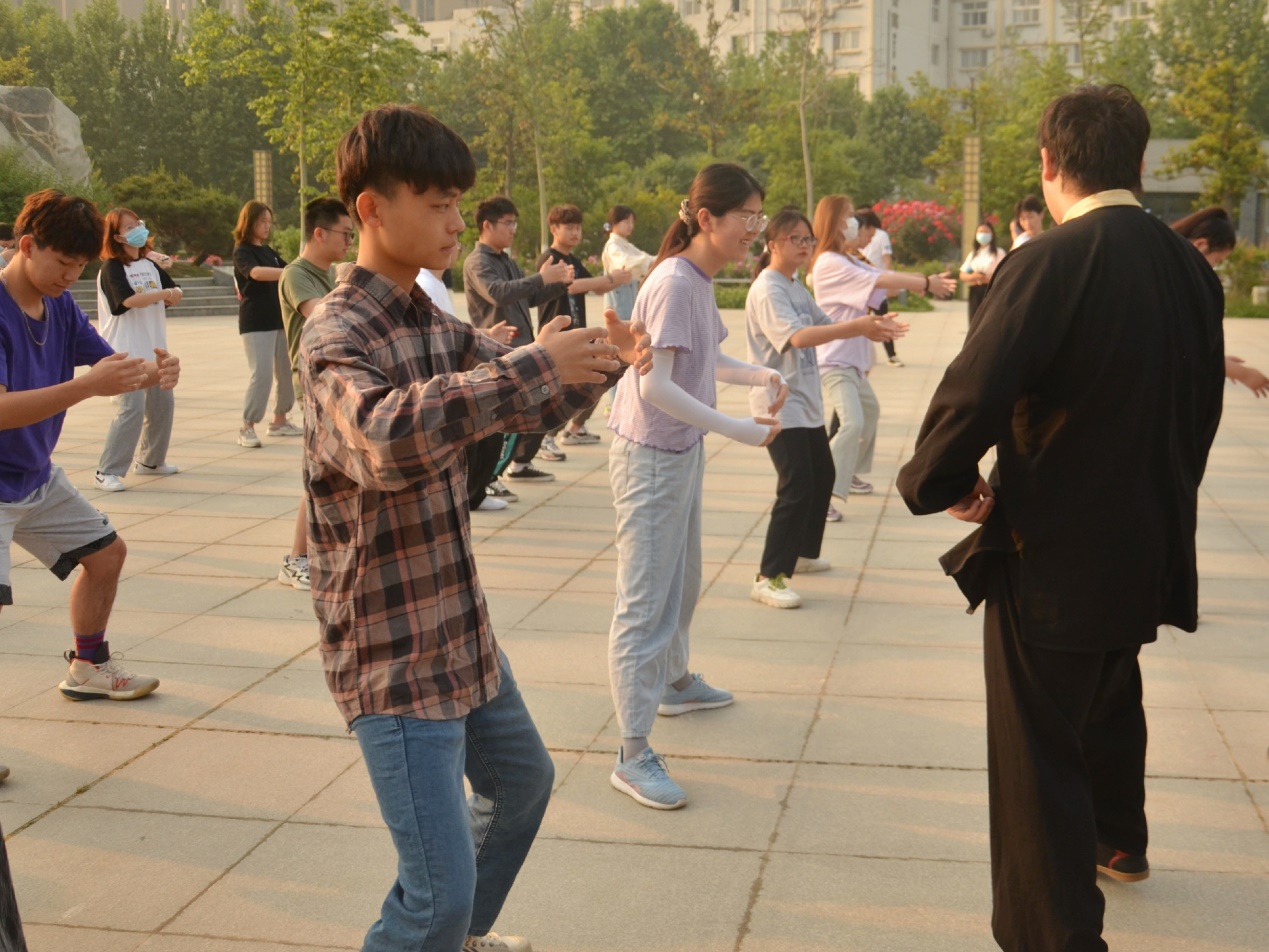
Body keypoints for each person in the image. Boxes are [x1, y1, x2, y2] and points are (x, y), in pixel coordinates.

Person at [300, 104, 650, 952]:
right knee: (434, 897)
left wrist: (600, 364)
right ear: (371, 209)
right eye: (437, 204)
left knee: (520, 785)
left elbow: (519, 403)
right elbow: (382, 436)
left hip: (457, 627)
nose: (457, 222)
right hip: (390, 650)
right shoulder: (334, 332)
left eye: (459, 203)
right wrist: (533, 364)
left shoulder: (433, 323)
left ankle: (453, 939)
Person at [896, 85, 1225, 952]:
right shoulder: (1189, 267)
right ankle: (1121, 838)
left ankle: (1058, 937)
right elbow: (1199, 411)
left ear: (1048, 162)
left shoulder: (1048, 259)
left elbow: (974, 387)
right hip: (1148, 539)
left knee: (1036, 759)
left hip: (1052, 553)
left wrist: (939, 479)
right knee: (1109, 693)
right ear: (1139, 162)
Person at [606, 163, 787, 810]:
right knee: (644, 603)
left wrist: (760, 377)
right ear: (706, 218)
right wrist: (737, 429)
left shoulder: (696, 279)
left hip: (678, 450)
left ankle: (674, 682)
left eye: (760, 217)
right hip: (651, 456)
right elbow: (655, 385)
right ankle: (631, 753)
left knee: (682, 582)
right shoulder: (676, 282)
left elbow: (704, 360)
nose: (755, 229)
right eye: (747, 217)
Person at [0, 190, 181, 729]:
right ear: (27, 246)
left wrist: (155, 371)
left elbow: (113, 366)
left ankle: (88, 667)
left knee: (106, 556)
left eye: (80, 265)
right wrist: (85, 388)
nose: (71, 276)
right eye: (62, 262)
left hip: (33, 476)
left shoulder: (58, 305)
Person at [746, 208, 906, 608]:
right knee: (797, 484)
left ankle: (801, 554)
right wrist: (857, 327)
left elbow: (825, 321)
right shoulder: (769, 289)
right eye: (795, 239)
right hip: (779, 405)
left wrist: (871, 326)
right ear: (772, 244)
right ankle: (768, 576)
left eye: (808, 239)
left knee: (823, 476)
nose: (804, 245)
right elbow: (799, 337)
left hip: (805, 401)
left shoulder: (794, 286)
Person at [809, 194, 955, 508]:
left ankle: (846, 472)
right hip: (835, 359)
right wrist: (925, 282)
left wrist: (919, 283)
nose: (854, 222)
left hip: (853, 360)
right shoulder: (829, 262)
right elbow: (880, 279)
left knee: (869, 413)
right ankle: (818, 491)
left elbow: (884, 284)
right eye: (848, 216)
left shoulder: (848, 259)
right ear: (835, 221)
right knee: (852, 423)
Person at [463, 196, 573, 483]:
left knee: (534, 409)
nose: (513, 229)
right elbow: (497, 293)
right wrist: (541, 277)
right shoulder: (477, 262)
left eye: (514, 224)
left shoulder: (507, 261)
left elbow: (528, 297)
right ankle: (487, 481)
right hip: (496, 351)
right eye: (508, 223)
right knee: (499, 422)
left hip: (520, 346)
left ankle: (518, 465)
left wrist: (560, 284)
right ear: (487, 225)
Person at [274, 197, 353, 590]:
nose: (350, 242)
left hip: (336, 381)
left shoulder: (333, 273)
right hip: (313, 383)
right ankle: (296, 559)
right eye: (345, 234)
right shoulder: (296, 274)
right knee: (318, 473)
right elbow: (324, 314)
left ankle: (323, 553)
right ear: (319, 233)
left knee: (337, 471)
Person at [93, 207, 184, 493]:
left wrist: (172, 294)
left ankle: (151, 461)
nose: (138, 230)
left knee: (162, 406)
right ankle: (107, 470)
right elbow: (127, 301)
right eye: (130, 227)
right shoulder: (111, 268)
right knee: (131, 409)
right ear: (117, 237)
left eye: (138, 224)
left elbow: (174, 291)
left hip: (155, 350)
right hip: (124, 351)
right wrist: (166, 294)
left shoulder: (149, 265)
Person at [536, 204, 631, 449]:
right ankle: (545, 438)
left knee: (597, 378)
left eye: (578, 227)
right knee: (560, 391)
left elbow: (596, 287)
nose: (575, 232)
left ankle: (576, 429)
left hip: (577, 334)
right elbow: (572, 286)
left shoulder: (573, 260)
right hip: (556, 337)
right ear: (553, 228)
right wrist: (610, 278)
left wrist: (620, 278)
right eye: (569, 227)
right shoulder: (549, 259)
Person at [1171, 206, 1269, 398]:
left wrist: (1221, 361)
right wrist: (1243, 373)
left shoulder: (1165, 270)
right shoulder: (1179, 283)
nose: (1213, 268)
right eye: (1217, 260)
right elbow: (1186, 350)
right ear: (1200, 245)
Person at [233, 201, 299, 448]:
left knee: (286, 371)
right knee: (261, 375)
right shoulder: (242, 251)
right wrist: (286, 273)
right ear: (249, 222)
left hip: (279, 320)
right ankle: (247, 426)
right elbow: (256, 273)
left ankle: (279, 420)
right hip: (256, 322)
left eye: (269, 222)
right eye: (263, 221)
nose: (267, 226)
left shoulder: (268, 251)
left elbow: (289, 268)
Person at [857, 207, 903, 367]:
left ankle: (891, 355)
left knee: (883, 318)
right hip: (864, 286)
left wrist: (890, 283)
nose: (869, 240)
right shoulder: (847, 254)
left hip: (877, 284)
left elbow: (886, 260)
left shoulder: (881, 236)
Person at [601, 205, 654, 321]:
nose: (630, 226)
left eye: (632, 222)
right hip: (618, 305)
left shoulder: (626, 245)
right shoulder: (612, 246)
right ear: (614, 223)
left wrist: (660, 258)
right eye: (626, 222)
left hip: (629, 303)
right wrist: (648, 262)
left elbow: (645, 257)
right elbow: (626, 262)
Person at [961, 221, 1007, 326]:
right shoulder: (974, 254)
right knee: (974, 323)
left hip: (990, 291)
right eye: (980, 232)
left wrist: (986, 279)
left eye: (986, 232)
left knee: (988, 323)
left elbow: (1003, 275)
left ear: (992, 234)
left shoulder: (998, 253)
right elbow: (963, 274)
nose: (983, 234)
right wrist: (974, 277)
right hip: (975, 292)